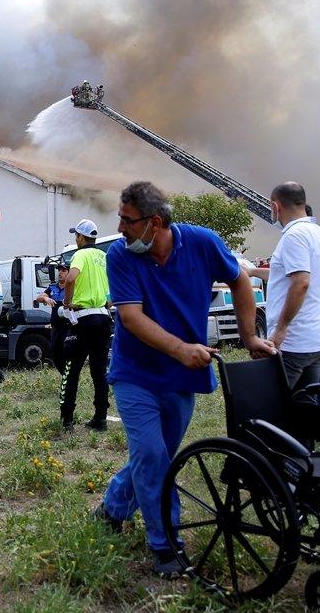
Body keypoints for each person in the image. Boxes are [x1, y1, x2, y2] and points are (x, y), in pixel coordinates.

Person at [95, 182, 275, 578]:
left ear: (153, 222)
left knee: (155, 456)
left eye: (127, 220)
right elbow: (131, 317)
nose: (120, 227)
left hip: (182, 376)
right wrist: (180, 349)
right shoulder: (121, 256)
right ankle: (165, 543)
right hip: (135, 374)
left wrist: (248, 336)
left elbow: (241, 281)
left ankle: (113, 507)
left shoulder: (202, 242)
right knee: (153, 456)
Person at [265, 182, 320, 391]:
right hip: (315, 340)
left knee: (270, 406)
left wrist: (281, 329)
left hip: (293, 342)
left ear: (276, 207)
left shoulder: (294, 236)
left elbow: (301, 282)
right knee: (305, 408)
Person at [58, 219, 112, 430]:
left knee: (71, 369)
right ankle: (100, 418)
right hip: (103, 317)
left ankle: (67, 419)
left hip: (83, 319)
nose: (75, 239)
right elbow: (115, 283)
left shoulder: (80, 254)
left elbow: (70, 279)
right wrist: (108, 301)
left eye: (76, 235)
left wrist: (67, 303)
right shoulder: (103, 256)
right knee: (99, 372)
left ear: (81, 237)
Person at [34, 271, 70, 375]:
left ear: (69, 273)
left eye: (63, 271)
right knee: (55, 352)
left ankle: (69, 376)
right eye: (59, 270)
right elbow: (39, 298)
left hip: (68, 326)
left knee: (68, 351)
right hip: (56, 326)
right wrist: (45, 298)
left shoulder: (72, 287)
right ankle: (64, 374)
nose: (60, 273)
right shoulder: (52, 287)